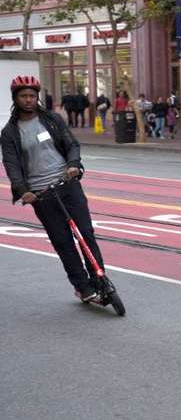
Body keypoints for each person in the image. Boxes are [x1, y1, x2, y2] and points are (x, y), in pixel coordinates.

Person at [1, 75, 104, 301]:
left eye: (32, 95)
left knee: (86, 234)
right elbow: (12, 165)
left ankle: (100, 281)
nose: (28, 100)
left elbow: (71, 145)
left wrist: (74, 165)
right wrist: (22, 190)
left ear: (37, 97)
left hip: (67, 184)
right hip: (41, 194)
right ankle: (83, 287)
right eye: (23, 96)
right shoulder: (9, 133)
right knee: (63, 242)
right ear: (15, 99)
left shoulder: (52, 120)